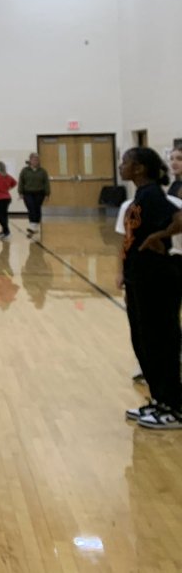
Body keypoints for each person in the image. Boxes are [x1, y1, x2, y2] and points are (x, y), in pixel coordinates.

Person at [117, 147, 182, 430]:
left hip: (158, 278)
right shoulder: (141, 196)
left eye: (125, 162)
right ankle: (159, 400)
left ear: (140, 168)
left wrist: (160, 236)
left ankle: (175, 408)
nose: (122, 167)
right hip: (139, 278)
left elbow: (179, 218)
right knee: (144, 341)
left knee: (161, 340)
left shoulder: (154, 194)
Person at [18, 152, 50, 237]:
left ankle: (36, 226)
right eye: (34, 159)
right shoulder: (25, 170)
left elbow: (46, 183)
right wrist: (20, 192)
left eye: (37, 160)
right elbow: (21, 181)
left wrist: (47, 194)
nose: (36, 161)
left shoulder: (43, 171)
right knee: (31, 207)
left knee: (37, 208)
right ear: (30, 160)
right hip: (28, 192)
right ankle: (32, 225)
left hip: (39, 192)